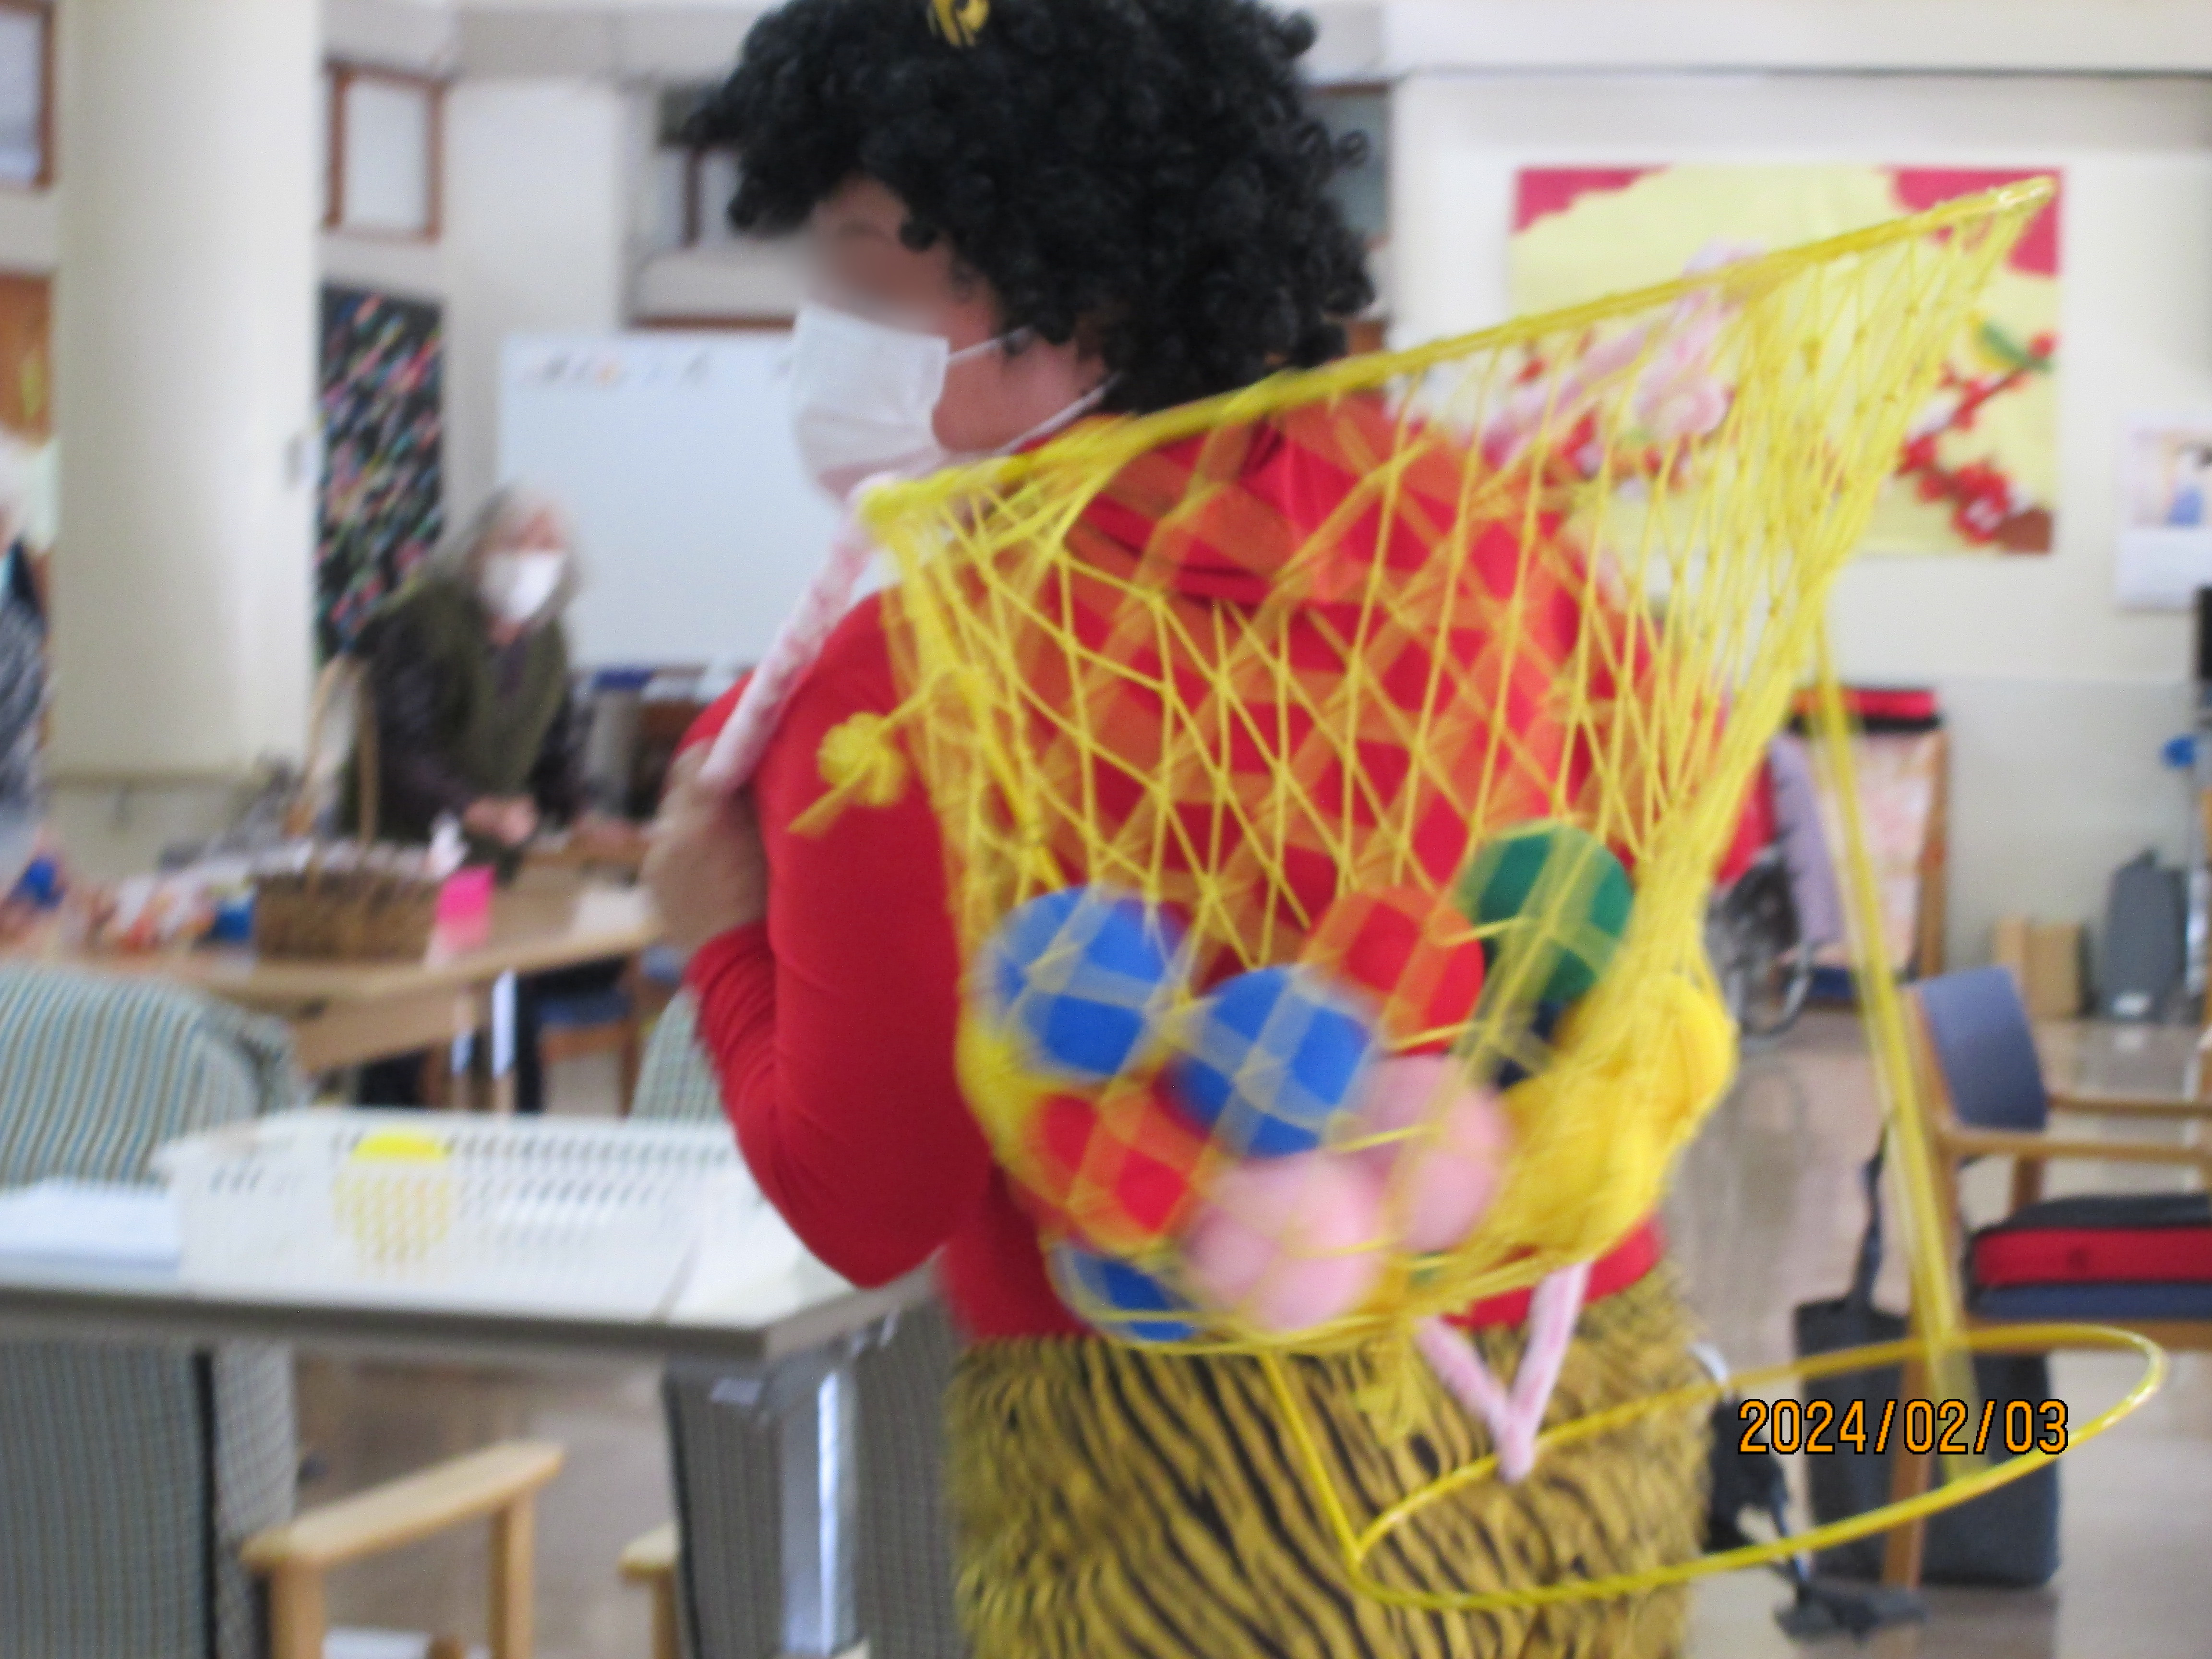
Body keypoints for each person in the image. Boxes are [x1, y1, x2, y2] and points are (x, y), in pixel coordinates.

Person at [647, 3, 1705, 1655]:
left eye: (871, 288)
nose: (824, 340)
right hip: (1587, 1435)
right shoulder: (1498, 537)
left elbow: (868, 1200)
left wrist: (716, 931)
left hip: (1193, 1510)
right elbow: (1667, 854)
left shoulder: (902, 691)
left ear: (1085, 302)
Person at [352, 488, 616, 1111]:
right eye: (516, 542)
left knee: (512, 998)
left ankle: (512, 1148)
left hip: (486, 876)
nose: (531, 559)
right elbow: (398, 748)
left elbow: (553, 747)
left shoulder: (547, 640)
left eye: (546, 547)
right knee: (400, 1029)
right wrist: (477, 809)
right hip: (404, 866)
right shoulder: (421, 622)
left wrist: (581, 814)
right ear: (475, 552)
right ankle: (385, 1148)